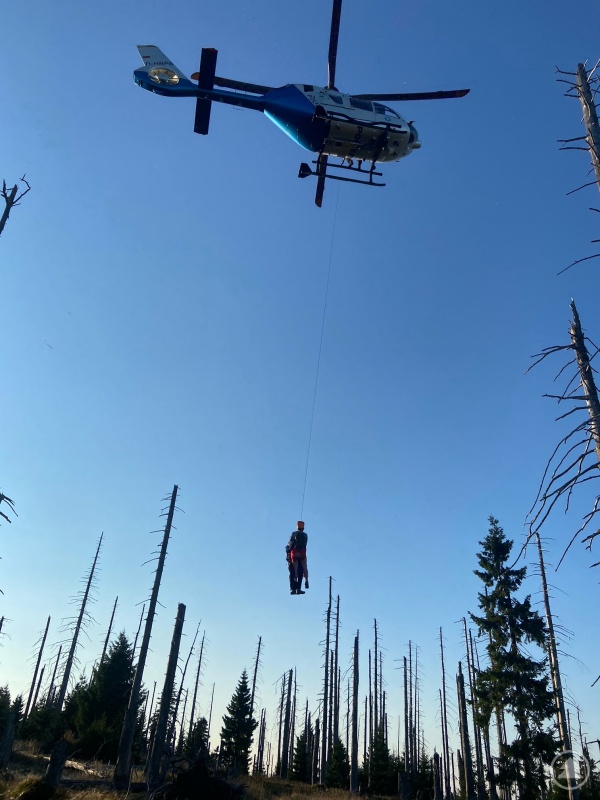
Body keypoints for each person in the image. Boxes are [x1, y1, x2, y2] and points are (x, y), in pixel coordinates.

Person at [287, 520, 309, 594]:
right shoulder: (305, 535)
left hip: (293, 555)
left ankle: (293, 589)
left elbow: (289, 544)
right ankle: (302, 584)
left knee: (293, 572)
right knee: (302, 571)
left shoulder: (293, 534)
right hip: (302, 555)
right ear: (303, 528)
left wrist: (288, 554)